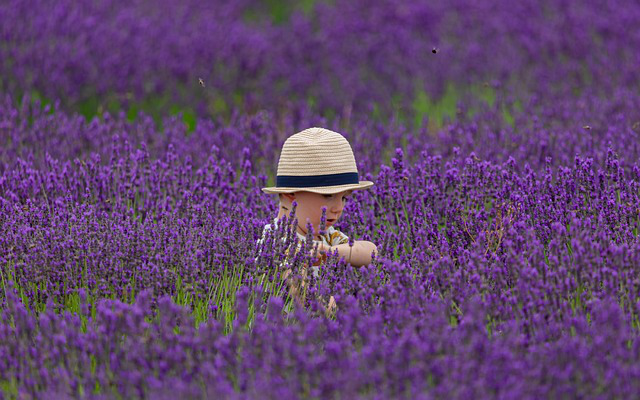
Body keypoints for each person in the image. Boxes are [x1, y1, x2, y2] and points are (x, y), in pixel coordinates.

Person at [256, 127, 378, 316]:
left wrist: (330, 251)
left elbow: (372, 253)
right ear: (291, 195)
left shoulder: (326, 237)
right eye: (328, 195)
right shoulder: (277, 242)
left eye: (344, 198)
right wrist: (348, 316)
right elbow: (304, 294)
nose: (339, 207)